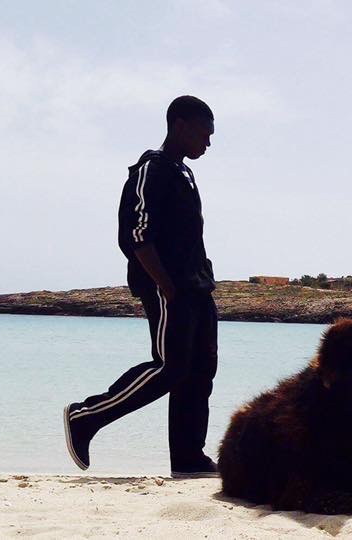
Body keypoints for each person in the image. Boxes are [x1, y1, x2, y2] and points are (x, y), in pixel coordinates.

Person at [64, 96, 219, 478]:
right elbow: (136, 234)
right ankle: (85, 417)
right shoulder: (152, 169)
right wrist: (165, 286)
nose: (208, 142)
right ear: (180, 125)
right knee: (170, 367)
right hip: (170, 288)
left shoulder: (185, 173)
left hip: (198, 287)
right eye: (204, 133)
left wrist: (199, 282)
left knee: (200, 370)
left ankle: (188, 458)